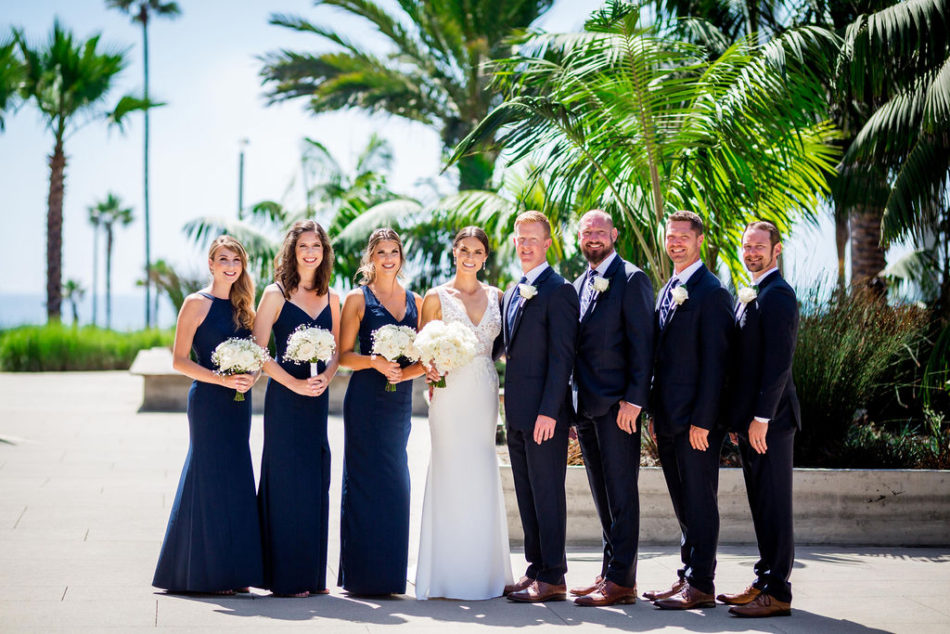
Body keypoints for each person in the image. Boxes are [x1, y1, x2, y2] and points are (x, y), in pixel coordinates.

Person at [153, 235, 263, 594]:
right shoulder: (195, 303)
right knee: (209, 478)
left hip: (238, 403)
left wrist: (251, 377)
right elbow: (179, 359)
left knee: (236, 479)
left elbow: (257, 356)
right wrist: (220, 378)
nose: (231, 266)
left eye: (237, 260)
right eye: (224, 259)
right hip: (208, 403)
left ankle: (236, 573)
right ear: (211, 264)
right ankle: (204, 573)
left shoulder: (246, 305)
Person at [415, 227, 514, 600]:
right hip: (449, 393)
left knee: (481, 468)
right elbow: (423, 348)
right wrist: (430, 368)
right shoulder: (436, 297)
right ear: (454, 252)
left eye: (477, 251)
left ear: (485, 257)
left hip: (484, 389)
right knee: (448, 468)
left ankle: (484, 569)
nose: (470, 257)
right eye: (463, 250)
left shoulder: (499, 297)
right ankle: (444, 572)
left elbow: (506, 346)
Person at [645, 210, 733, 610]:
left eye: (683, 236)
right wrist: (654, 414)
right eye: (671, 236)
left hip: (696, 423)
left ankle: (701, 584)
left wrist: (704, 420)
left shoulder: (712, 292)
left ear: (699, 240)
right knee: (683, 502)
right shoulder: (669, 288)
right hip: (668, 419)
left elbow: (717, 363)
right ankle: (687, 575)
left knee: (700, 501)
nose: (675, 242)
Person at [569, 210, 654, 607]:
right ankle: (609, 571)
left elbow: (643, 345)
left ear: (614, 234)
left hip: (620, 407)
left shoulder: (632, 278)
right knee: (602, 496)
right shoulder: (578, 283)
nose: (594, 238)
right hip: (586, 408)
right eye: (587, 232)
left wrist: (634, 400)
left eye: (600, 232)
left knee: (622, 494)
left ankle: (622, 581)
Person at [253, 220, 340, 597]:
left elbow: (337, 352)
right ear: (293, 250)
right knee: (286, 482)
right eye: (304, 245)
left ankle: (312, 576)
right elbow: (257, 351)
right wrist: (294, 384)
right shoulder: (275, 294)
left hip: (316, 401)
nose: (310, 252)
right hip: (286, 401)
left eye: (316, 246)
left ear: (324, 252)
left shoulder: (332, 297)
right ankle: (285, 579)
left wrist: (327, 378)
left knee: (313, 482)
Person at [337, 228, 425, 595]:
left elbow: (427, 357)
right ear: (370, 257)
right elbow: (342, 357)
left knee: (395, 483)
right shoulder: (357, 300)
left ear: (401, 257)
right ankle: (359, 577)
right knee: (362, 483)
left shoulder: (417, 301)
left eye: (394, 251)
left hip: (397, 401)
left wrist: (404, 372)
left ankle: (389, 576)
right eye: (381, 252)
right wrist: (375, 361)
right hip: (364, 400)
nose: (388, 258)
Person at [719, 221, 800, 618]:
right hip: (751, 423)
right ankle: (764, 579)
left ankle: (778, 592)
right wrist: (739, 421)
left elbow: (777, 365)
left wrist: (761, 418)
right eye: (746, 245)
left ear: (776, 250)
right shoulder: (751, 292)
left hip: (772, 422)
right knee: (760, 503)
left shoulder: (779, 295)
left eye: (759, 246)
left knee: (775, 505)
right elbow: (743, 364)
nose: (751, 252)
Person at [500, 211, 579, 603]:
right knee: (527, 493)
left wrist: (550, 411)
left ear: (548, 243)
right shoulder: (514, 291)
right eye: (520, 239)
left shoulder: (559, 289)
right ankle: (535, 570)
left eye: (533, 239)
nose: (526, 245)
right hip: (516, 414)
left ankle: (554, 575)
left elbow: (563, 358)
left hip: (544, 416)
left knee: (548, 492)